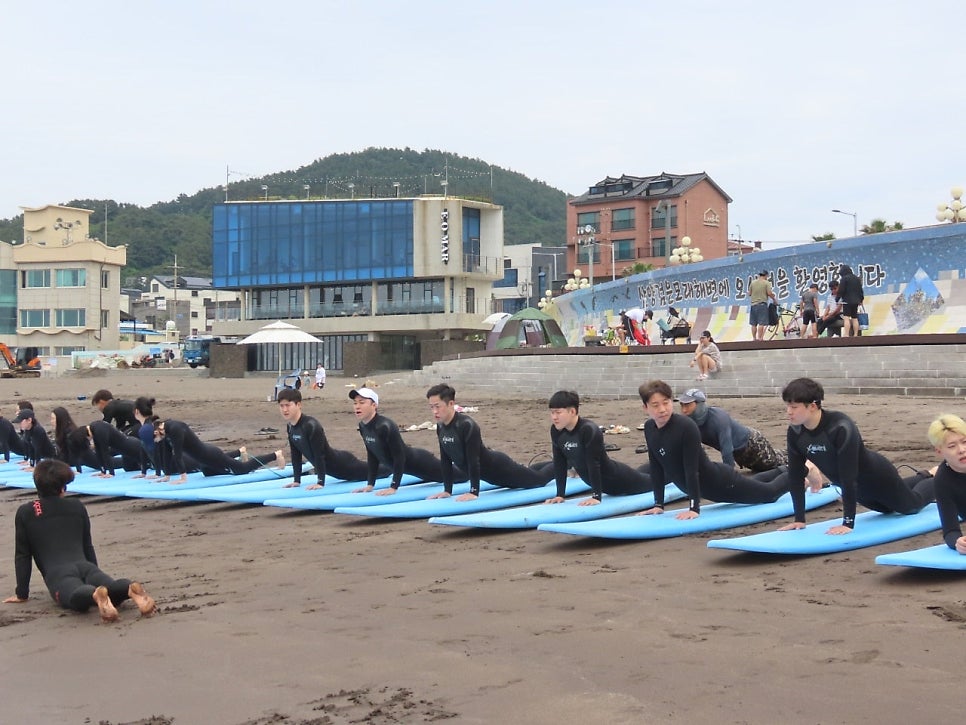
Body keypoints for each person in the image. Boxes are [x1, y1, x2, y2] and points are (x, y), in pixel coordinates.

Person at [3, 459, 157, 622]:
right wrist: (95, 571)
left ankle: (96, 595)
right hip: (86, 566)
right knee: (110, 587)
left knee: (73, 595)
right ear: (63, 488)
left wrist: (22, 593)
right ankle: (129, 589)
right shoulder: (76, 506)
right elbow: (87, 545)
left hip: (58, 573)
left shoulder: (26, 512)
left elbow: (22, 555)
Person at [778, 377, 935, 534]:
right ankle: (924, 475)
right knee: (886, 509)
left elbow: (848, 476)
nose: (789, 412)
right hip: (857, 490)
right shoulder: (795, 432)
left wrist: (848, 523)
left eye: (794, 407)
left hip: (878, 478)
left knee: (911, 506)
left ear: (812, 406)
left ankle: (937, 480)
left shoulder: (840, 427)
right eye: (787, 406)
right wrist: (799, 520)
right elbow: (795, 476)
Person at [638, 380, 792, 519]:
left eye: (666, 403)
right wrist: (658, 505)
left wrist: (694, 508)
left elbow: (691, 470)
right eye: (655, 405)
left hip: (721, 482)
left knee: (769, 494)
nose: (662, 409)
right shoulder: (649, 428)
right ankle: (784, 469)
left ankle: (800, 472)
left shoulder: (685, 427)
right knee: (752, 484)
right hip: (710, 491)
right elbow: (656, 466)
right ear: (645, 407)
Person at [425, 383, 553, 501]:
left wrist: (474, 492)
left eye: (438, 406)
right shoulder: (440, 427)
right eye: (431, 407)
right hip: (490, 477)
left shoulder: (467, 425)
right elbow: (446, 459)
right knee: (528, 472)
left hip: (500, 469)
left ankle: (564, 463)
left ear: (451, 403)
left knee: (539, 480)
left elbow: (473, 460)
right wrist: (447, 491)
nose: (434, 411)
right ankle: (550, 463)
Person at [544, 390, 654, 506]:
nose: (554, 417)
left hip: (619, 480)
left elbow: (593, 463)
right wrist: (560, 495)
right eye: (552, 413)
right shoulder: (556, 431)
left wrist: (596, 496)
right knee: (642, 473)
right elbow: (559, 462)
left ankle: (673, 466)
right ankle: (659, 464)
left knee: (656, 481)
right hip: (606, 486)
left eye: (558, 413)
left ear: (572, 411)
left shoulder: (588, 430)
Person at [277, 387, 384, 489]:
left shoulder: (310, 425)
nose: (285, 409)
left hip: (344, 465)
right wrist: (296, 481)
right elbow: (296, 454)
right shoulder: (290, 427)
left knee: (384, 471)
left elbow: (319, 455)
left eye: (288, 405)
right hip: (333, 471)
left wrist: (320, 482)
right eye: (281, 406)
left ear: (298, 405)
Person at [349, 387, 447, 496]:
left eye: (362, 402)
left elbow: (399, 457)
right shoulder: (363, 426)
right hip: (412, 471)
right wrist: (370, 485)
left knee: (460, 476)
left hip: (422, 463)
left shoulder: (385, 426)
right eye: (355, 403)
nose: (357, 406)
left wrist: (393, 487)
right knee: (433, 479)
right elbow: (372, 454)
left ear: (374, 405)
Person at [674, 388, 794, 474]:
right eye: (682, 405)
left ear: (699, 404)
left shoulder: (718, 418)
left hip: (752, 443)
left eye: (688, 405)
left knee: (775, 464)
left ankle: (799, 455)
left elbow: (726, 449)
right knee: (760, 468)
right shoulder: (688, 422)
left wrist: (729, 478)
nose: (684, 410)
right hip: (739, 455)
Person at [152, 419, 284, 483]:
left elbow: (178, 454)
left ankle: (275, 455)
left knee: (242, 470)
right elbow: (167, 454)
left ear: (158, 431)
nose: (156, 441)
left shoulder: (175, 429)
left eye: (155, 437)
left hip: (211, 455)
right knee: (207, 472)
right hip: (203, 461)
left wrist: (183, 478)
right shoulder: (167, 431)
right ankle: (239, 452)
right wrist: (167, 475)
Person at [926, 414, 966, 553]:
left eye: (964, 442)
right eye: (952, 446)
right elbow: (950, 530)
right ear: (939, 451)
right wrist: (957, 543)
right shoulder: (943, 480)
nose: (961, 450)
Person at [836, 264, 865, 337]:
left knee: (846, 318)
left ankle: (846, 334)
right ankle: (855, 334)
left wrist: (837, 299)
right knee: (854, 318)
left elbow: (841, 290)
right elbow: (860, 290)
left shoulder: (844, 279)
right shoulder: (857, 279)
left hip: (847, 301)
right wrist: (860, 299)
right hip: (856, 301)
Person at [749, 270, 777, 341]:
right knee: (761, 323)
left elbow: (749, 293)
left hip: (753, 305)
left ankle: (754, 338)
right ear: (766, 275)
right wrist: (774, 299)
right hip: (762, 305)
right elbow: (769, 293)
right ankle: (760, 338)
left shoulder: (753, 282)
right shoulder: (766, 283)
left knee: (753, 323)